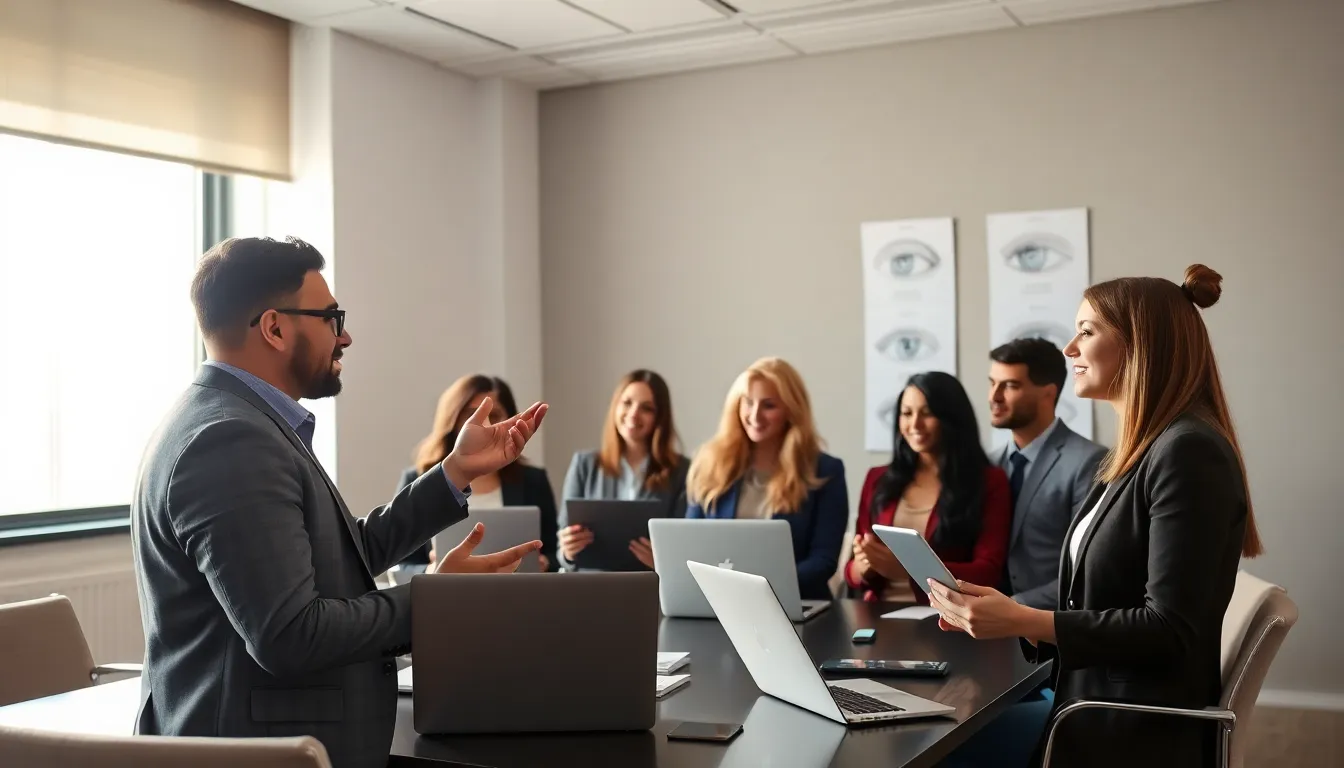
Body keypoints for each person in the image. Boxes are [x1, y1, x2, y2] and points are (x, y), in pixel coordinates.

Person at [130, 237, 544, 768]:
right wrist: (439, 599)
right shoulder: (230, 441)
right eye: (331, 316)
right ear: (275, 328)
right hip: (254, 752)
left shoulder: (235, 422)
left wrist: (456, 471)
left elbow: (340, 557)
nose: (345, 335)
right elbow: (291, 634)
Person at [930, 265, 1262, 768]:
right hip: (1085, 706)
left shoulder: (1189, 452)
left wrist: (1023, 618)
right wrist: (1013, 618)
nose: (1070, 349)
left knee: (934, 746)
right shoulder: (1135, 453)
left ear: (1140, 344)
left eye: (1087, 331)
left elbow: (1170, 630)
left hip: (1124, 729)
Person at [684, 357, 847, 601]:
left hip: (795, 606)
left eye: (769, 405)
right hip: (717, 604)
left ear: (791, 410)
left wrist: (764, 588)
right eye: (748, 403)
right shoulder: (710, 463)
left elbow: (823, 560)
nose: (755, 415)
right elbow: (689, 545)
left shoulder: (824, 470)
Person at [845, 371, 1011, 604]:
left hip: (947, 617)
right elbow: (851, 573)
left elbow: (988, 572)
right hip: (879, 613)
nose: (915, 424)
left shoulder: (990, 481)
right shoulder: (877, 479)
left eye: (927, 413)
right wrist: (863, 567)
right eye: (906, 413)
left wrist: (909, 570)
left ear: (951, 418)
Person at [396, 374, 559, 573]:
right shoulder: (418, 480)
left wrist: (544, 563)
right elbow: (401, 565)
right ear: (453, 421)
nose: (486, 426)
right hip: (444, 598)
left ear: (510, 418)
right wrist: (430, 572)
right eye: (471, 415)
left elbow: (555, 552)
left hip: (516, 596)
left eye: (496, 415)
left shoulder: (533, 480)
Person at [988, 338, 1106, 609]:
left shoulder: (1090, 462)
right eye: (992, 383)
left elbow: (1087, 570)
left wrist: (1012, 608)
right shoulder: (988, 464)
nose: (994, 397)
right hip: (979, 625)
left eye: (1010, 386)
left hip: (1050, 630)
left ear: (1048, 393)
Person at [557, 369, 689, 571]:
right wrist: (568, 551)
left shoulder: (681, 472)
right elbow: (562, 545)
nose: (633, 414)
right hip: (591, 589)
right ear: (615, 406)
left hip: (649, 589)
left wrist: (662, 562)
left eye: (647, 408)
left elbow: (685, 547)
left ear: (660, 417)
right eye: (626, 403)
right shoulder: (585, 464)